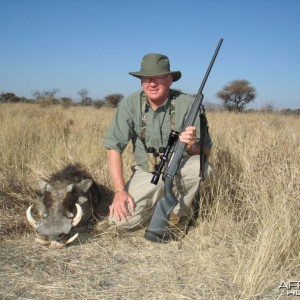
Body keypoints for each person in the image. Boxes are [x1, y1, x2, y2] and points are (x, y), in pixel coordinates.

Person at [103, 53, 213, 231]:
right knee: (120, 222)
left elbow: (206, 153)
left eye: (159, 77)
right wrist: (119, 191)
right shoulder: (129, 105)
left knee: (201, 168)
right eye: (146, 78)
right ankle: (155, 207)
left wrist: (191, 146)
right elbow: (113, 147)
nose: (152, 83)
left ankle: (177, 214)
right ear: (141, 81)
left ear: (170, 80)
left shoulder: (189, 105)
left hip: (180, 169)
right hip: (147, 172)